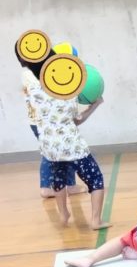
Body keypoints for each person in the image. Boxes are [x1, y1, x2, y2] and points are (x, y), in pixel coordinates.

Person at [22, 59, 104, 228]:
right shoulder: (68, 95)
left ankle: (63, 215)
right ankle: (96, 221)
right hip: (73, 148)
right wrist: (95, 105)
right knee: (96, 180)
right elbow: (77, 120)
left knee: (58, 181)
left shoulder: (35, 93)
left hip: (51, 149)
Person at [14, 41, 82, 198]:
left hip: (48, 120)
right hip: (43, 122)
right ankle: (46, 187)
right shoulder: (31, 74)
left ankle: (70, 185)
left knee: (66, 147)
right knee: (51, 152)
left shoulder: (34, 72)